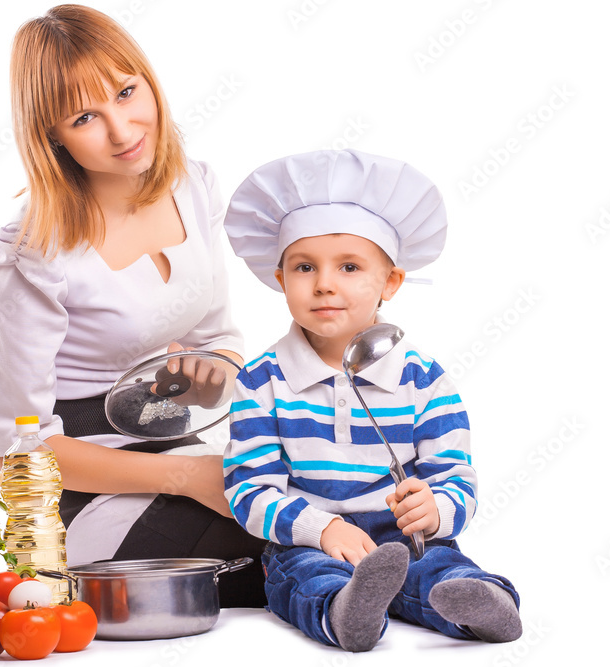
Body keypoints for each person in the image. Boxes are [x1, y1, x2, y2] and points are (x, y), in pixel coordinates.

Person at [0, 4, 265, 607]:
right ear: (50, 135)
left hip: (176, 440)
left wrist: (213, 370)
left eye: (127, 92)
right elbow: (20, 451)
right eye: (85, 116)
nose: (123, 129)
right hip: (83, 484)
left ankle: (444, 586)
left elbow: (219, 337)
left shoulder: (194, 185)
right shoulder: (35, 250)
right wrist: (186, 478)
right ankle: (357, 604)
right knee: (263, 553)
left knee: (322, 504)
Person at [221, 149, 522, 648]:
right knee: (302, 577)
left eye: (349, 266)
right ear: (280, 280)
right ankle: (345, 610)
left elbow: (455, 476)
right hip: (310, 539)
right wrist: (323, 530)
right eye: (303, 267)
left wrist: (435, 508)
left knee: (440, 565)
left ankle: (483, 605)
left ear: (391, 282)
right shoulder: (261, 381)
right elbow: (249, 491)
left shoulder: (423, 379)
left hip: (406, 536)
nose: (323, 284)